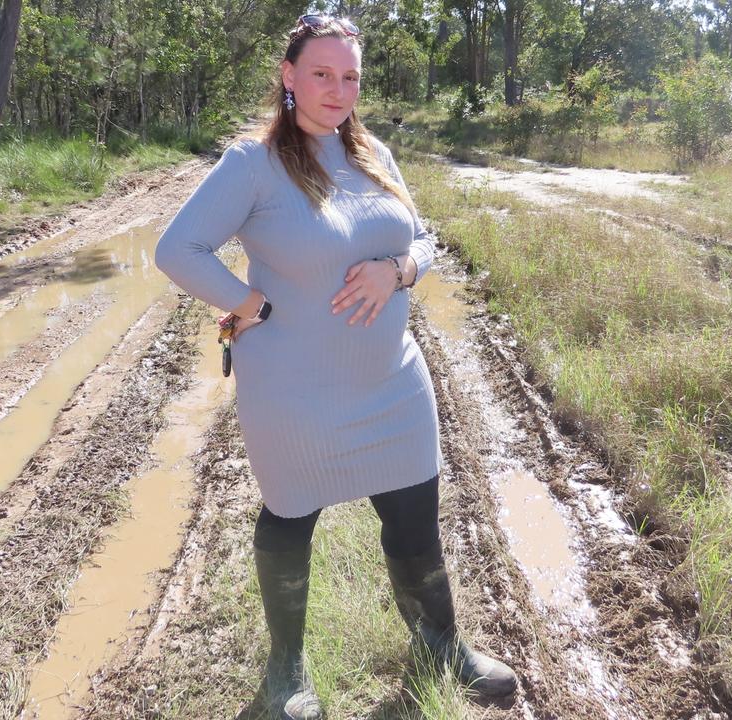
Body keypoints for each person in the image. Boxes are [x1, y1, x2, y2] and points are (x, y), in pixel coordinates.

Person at [154, 14, 518, 719]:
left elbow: (424, 236)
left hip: (393, 384)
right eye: (320, 73)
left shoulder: (374, 151)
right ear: (289, 76)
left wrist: (400, 269)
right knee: (290, 518)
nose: (337, 88)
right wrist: (247, 303)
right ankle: (286, 676)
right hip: (294, 392)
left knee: (416, 518)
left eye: (349, 75)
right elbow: (178, 249)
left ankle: (440, 646)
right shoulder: (253, 163)